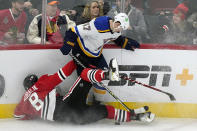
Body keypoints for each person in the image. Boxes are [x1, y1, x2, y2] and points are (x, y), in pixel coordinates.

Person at [14, 59, 155, 124]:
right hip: (64, 105)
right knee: (84, 75)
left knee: (103, 111)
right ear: (34, 82)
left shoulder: (23, 102)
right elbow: (61, 75)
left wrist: (31, 116)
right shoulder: (39, 84)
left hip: (71, 118)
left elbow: (17, 116)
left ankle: (136, 117)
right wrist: (75, 61)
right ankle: (107, 75)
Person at [60, 13, 140, 101]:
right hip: (81, 51)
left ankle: (94, 100)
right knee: (84, 79)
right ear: (117, 23)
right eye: (121, 28)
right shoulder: (97, 25)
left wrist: (125, 43)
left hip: (95, 54)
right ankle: (72, 101)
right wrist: (68, 43)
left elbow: (116, 38)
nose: (120, 31)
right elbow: (73, 31)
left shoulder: (116, 31)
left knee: (103, 74)